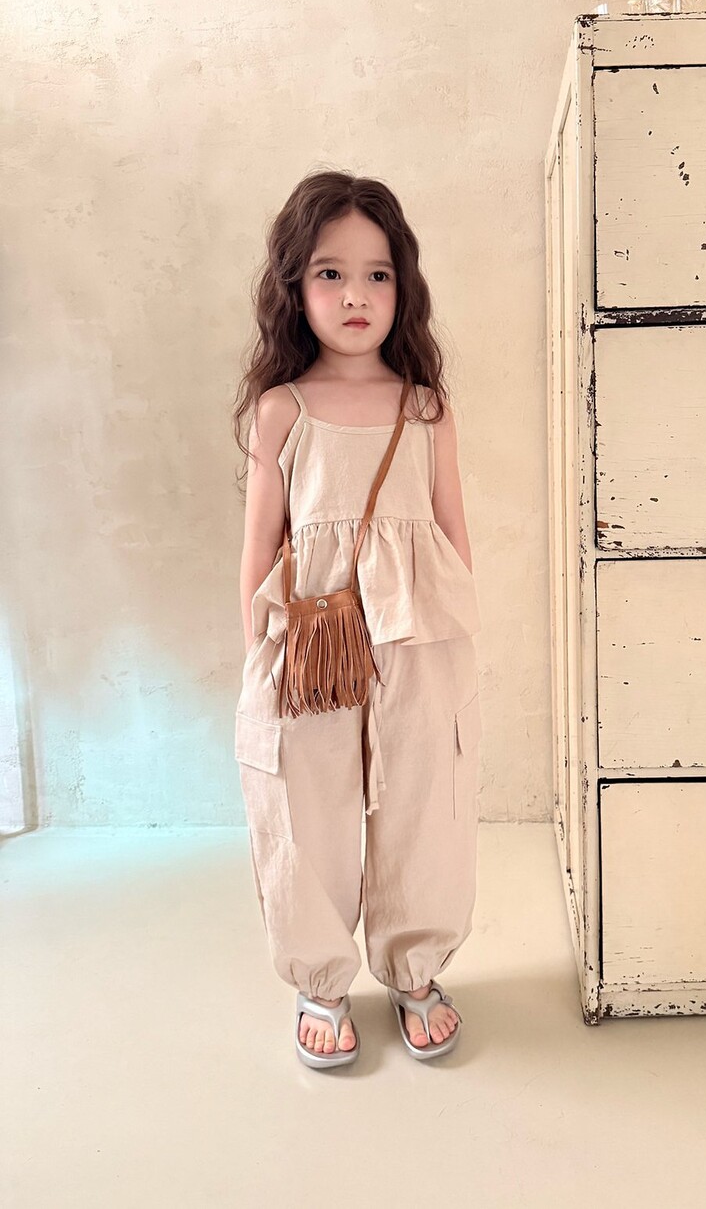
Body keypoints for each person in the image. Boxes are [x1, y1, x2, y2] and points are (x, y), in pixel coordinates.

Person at [232, 169, 483, 1068]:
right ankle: (322, 980)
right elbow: (260, 546)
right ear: (295, 287)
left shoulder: (425, 407)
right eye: (331, 274)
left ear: (402, 287)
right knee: (307, 801)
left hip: (418, 636)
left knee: (424, 798)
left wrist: (462, 643)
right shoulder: (282, 411)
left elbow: (451, 531)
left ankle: (416, 970)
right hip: (311, 642)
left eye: (378, 275)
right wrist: (257, 656)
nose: (355, 296)